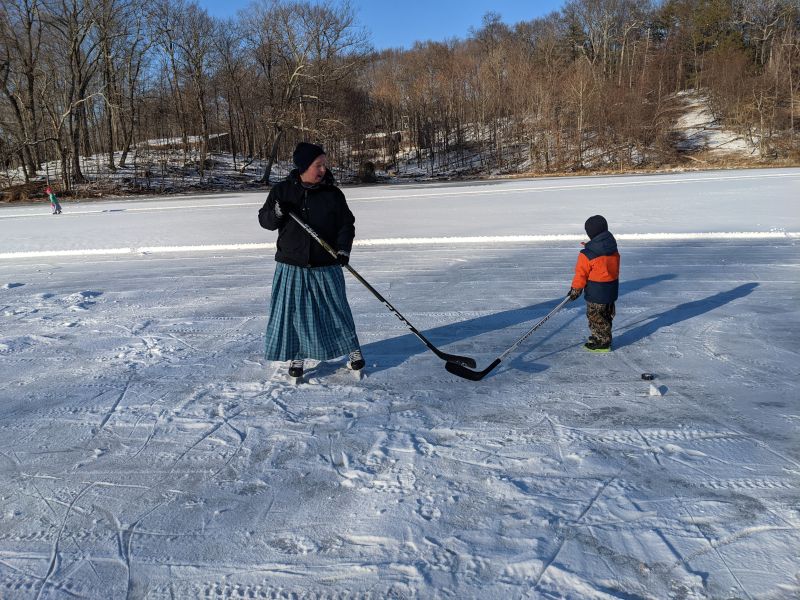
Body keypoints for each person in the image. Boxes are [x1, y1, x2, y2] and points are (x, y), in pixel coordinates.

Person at [258, 142, 365, 380]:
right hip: (291, 265)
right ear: (305, 166)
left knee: (337, 310)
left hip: (325, 264)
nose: (323, 169)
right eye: (319, 165)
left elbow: (346, 225)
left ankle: (352, 350)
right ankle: (298, 354)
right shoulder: (282, 191)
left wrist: (343, 250)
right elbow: (265, 221)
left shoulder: (332, 194)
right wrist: (276, 212)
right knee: (294, 313)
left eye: (324, 164)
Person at [567, 215, 620, 352]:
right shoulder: (613, 248)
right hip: (611, 290)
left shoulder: (587, 254)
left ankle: (602, 343)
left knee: (596, 318)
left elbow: (581, 275)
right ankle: (601, 337)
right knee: (606, 315)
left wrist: (575, 290)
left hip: (597, 293)